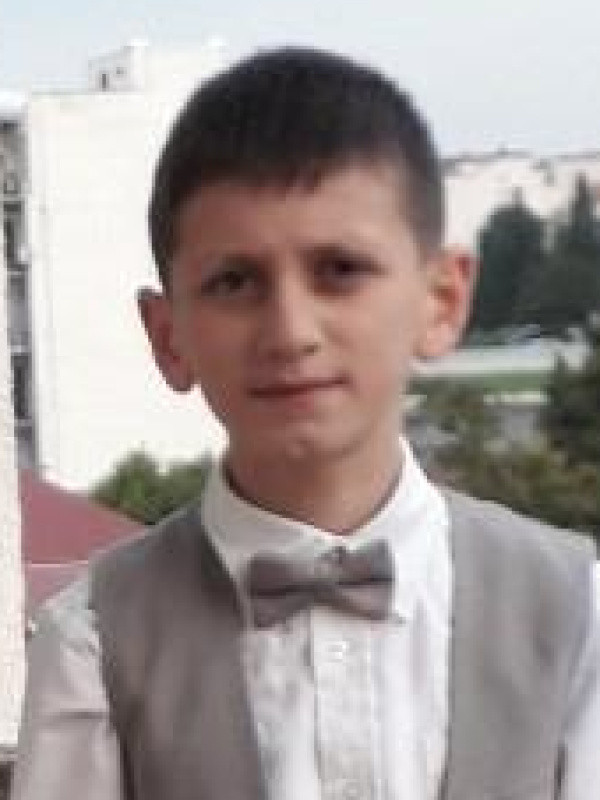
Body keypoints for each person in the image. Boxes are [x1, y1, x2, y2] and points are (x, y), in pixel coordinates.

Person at [11, 48, 600, 800]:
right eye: (234, 282)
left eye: (340, 271)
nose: (290, 331)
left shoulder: (575, 609)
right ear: (167, 336)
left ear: (441, 300)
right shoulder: (95, 641)